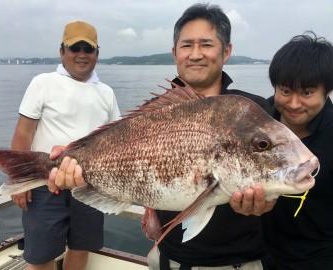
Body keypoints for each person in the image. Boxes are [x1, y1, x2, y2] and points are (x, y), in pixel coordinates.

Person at [48, 4, 275, 270]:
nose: (196, 54)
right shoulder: (154, 111)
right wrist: (73, 156)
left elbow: (278, 183)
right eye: (187, 45)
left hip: (237, 263)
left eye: (206, 45)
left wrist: (267, 203)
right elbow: (118, 155)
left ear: (226, 51)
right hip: (165, 259)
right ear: (175, 53)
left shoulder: (253, 112)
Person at [10, 21, 121, 270]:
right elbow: (24, 131)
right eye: (75, 47)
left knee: (82, 247)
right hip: (44, 185)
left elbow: (116, 142)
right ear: (62, 51)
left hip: (91, 185)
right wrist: (19, 181)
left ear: (97, 54)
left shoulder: (107, 93)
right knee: (40, 255)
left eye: (88, 48)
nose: (81, 54)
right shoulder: (42, 83)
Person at [261, 32, 333, 270]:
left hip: (318, 259)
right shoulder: (257, 123)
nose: (293, 103)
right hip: (259, 255)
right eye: (285, 90)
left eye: (307, 93)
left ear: (327, 92)